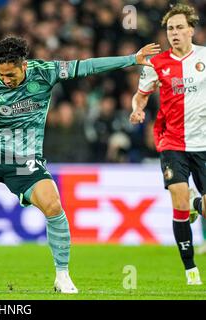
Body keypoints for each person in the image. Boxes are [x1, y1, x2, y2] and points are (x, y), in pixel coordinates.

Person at [0, 36, 158, 293]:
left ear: (24, 65)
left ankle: (62, 276)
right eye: (1, 75)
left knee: (53, 205)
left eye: (11, 75)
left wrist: (132, 59)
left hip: (25, 159)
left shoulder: (45, 72)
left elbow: (87, 66)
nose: (6, 81)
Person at [129, 4, 206, 285]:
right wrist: (137, 109)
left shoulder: (205, 57)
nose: (174, 33)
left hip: (204, 144)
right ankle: (191, 271)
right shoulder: (156, 64)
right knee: (178, 198)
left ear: (191, 30)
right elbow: (140, 96)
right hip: (171, 141)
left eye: (179, 27)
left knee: (195, 204)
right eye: (170, 28)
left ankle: (198, 203)